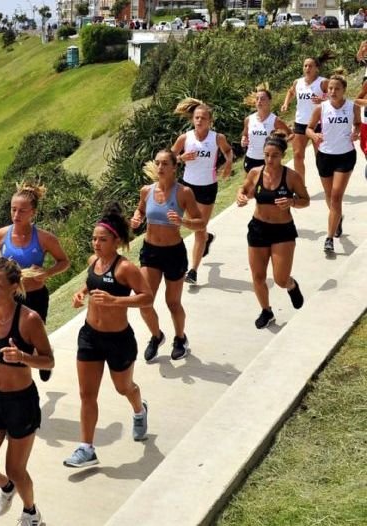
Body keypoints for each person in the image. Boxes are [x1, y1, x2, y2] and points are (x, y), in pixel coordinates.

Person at [64, 203, 154, 468]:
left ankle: (139, 410)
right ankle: (86, 448)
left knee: (123, 388)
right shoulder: (94, 262)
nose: (96, 243)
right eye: (94, 238)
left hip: (118, 340)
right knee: (86, 394)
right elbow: (92, 283)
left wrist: (116, 301)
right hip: (90, 337)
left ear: (116, 240)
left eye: (102, 239)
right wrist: (81, 293)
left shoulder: (126, 268)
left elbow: (147, 297)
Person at [0, 257, 53, 526]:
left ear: (14, 287)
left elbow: (48, 360)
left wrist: (23, 358)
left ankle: (31, 512)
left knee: (16, 469)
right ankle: (6, 487)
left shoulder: (30, 320)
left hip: (20, 402)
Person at [0, 182, 70, 382]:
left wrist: (47, 272)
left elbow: (64, 262)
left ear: (33, 212)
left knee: (32, 339)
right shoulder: (1, 235)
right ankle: (19, 380)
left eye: (22, 210)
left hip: (35, 295)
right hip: (9, 297)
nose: (16, 214)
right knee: (13, 341)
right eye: (13, 209)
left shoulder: (44, 238)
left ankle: (43, 355)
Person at [130, 150, 204, 362]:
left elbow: (200, 223)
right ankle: (156, 336)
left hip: (173, 253)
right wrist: (136, 219)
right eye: (158, 163)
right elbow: (140, 211)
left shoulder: (184, 193)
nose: (160, 167)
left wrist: (184, 222)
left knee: (172, 302)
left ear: (174, 167)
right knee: (144, 301)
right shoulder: (146, 191)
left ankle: (180, 338)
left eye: (165, 164)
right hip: (150, 252)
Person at [236, 131, 310, 329]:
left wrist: (292, 201)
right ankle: (266, 311)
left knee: (280, 279)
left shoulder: (292, 176)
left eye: (274, 155)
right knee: (258, 277)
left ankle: (292, 286)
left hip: (282, 231)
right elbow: (243, 190)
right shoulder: (255, 173)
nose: (270, 159)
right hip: (258, 228)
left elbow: (306, 200)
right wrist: (241, 197)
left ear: (282, 155)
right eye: (266, 155)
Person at [171, 97, 234, 285]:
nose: (199, 121)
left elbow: (229, 151)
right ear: (192, 120)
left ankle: (193, 271)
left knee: (198, 229)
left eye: (203, 118)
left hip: (208, 187)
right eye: (196, 118)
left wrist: (229, 163)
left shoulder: (217, 138)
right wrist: (181, 158)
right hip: (188, 188)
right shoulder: (185, 138)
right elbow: (169, 157)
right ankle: (206, 239)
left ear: (210, 121)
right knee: (186, 226)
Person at [310, 68, 361, 255]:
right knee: (329, 195)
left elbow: (357, 123)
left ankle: (329, 238)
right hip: (324, 156)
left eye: (336, 88)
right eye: (330, 88)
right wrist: (314, 135)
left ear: (343, 90)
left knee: (336, 196)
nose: (332, 91)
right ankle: (337, 218)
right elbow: (308, 128)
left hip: (345, 155)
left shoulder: (353, 107)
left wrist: (356, 131)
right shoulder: (320, 108)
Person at [281, 52, 331, 182]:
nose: (307, 68)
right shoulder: (298, 82)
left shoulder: (323, 82)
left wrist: (323, 99)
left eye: (310, 66)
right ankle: (300, 186)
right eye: (305, 66)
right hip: (300, 123)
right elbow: (290, 92)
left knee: (320, 157)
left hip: (318, 124)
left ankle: (327, 183)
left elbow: (336, 97)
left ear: (316, 68)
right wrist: (286, 103)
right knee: (297, 155)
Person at [241, 83, 292, 174]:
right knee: (251, 186)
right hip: (251, 158)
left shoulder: (275, 120)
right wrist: (243, 140)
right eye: (257, 99)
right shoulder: (249, 119)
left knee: (268, 186)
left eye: (263, 99)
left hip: (267, 159)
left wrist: (279, 145)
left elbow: (291, 134)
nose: (259, 101)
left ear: (269, 101)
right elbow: (245, 135)